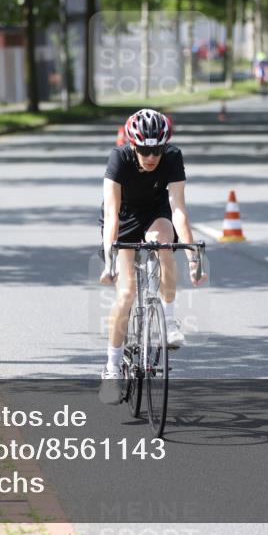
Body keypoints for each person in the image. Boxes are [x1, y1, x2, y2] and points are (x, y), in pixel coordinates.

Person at [98, 109, 207, 404]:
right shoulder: (118, 159)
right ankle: (112, 367)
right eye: (145, 149)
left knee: (164, 245)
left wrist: (193, 259)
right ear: (133, 144)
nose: (151, 156)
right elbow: (111, 212)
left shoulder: (172, 158)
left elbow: (179, 210)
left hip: (157, 214)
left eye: (157, 149)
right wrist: (109, 261)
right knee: (127, 292)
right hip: (124, 219)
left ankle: (169, 321)